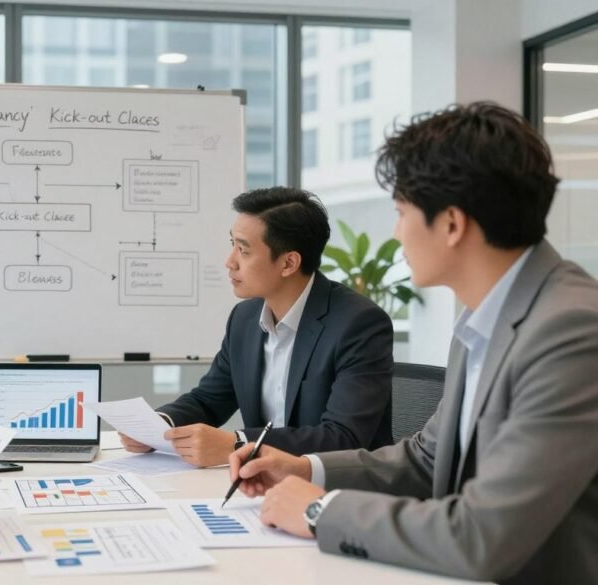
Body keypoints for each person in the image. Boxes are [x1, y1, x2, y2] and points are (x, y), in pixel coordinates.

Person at [230, 102, 598, 585]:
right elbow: (427, 459)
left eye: (402, 212)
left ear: (452, 224)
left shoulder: (571, 330)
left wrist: (322, 510)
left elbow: (482, 537)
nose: (396, 232)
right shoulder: (484, 317)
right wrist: (303, 469)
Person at [121, 187, 394, 467]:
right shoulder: (244, 318)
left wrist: (239, 443)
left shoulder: (358, 324)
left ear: (288, 262)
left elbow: (343, 438)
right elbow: (209, 399)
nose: (230, 262)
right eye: (232, 244)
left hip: (336, 485)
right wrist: (157, 426)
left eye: (243, 250)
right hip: (263, 481)